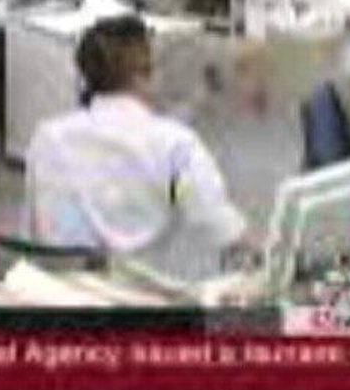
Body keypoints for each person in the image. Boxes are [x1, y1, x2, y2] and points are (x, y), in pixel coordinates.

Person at [23, 15, 253, 281]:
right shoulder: (176, 148)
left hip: (61, 293)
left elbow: (32, 237)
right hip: (139, 295)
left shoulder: (47, 138)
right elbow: (217, 223)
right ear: (145, 74)